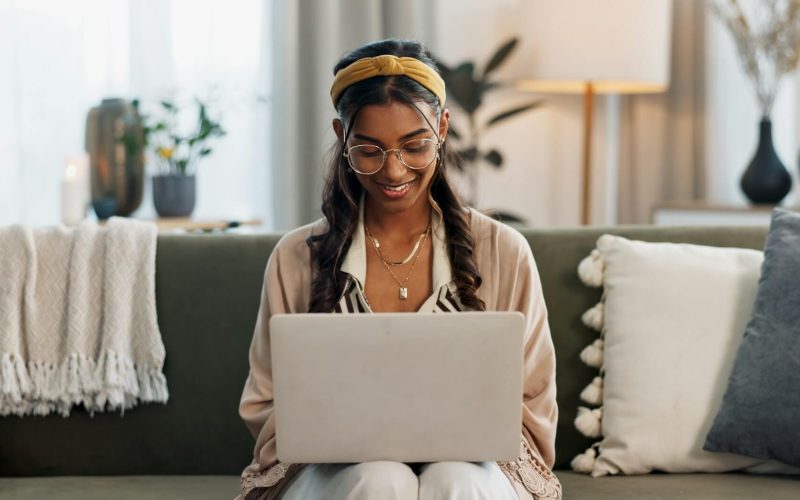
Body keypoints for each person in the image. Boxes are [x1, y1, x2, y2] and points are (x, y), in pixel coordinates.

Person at [236, 39, 562, 500]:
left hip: (474, 471)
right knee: (379, 479)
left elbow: (533, 402)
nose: (393, 172)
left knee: (456, 480)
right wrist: (349, 441)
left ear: (442, 128)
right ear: (341, 136)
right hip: (338, 473)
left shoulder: (504, 251)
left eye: (415, 146)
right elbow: (266, 401)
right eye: (370, 150)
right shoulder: (295, 257)